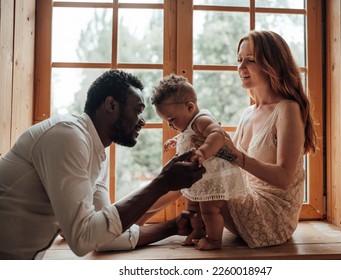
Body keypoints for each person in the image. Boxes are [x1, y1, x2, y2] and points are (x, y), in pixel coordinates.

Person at [0, 69, 205, 260]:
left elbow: (104, 235)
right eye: (137, 110)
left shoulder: (97, 155)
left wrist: (173, 226)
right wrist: (162, 183)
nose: (142, 121)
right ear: (111, 105)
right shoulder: (67, 136)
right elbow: (83, 239)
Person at [141, 30, 318, 249]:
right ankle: (132, 220)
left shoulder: (288, 109)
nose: (241, 67)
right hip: (247, 197)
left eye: (250, 60)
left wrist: (231, 154)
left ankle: (130, 223)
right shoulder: (248, 113)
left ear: (273, 63)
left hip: (272, 215)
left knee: (199, 174)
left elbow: (283, 178)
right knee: (194, 168)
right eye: (239, 60)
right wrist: (209, 152)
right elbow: (232, 166)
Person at [151, 74, 246, 250]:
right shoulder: (189, 122)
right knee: (193, 206)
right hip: (201, 176)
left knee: (209, 210)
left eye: (172, 120)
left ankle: (215, 239)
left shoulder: (202, 119)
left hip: (214, 176)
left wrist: (203, 151)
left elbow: (217, 134)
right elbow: (190, 135)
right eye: (166, 121)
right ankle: (198, 231)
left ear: (190, 107)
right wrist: (177, 139)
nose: (170, 125)